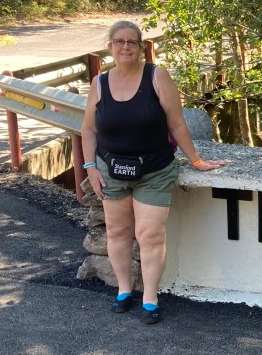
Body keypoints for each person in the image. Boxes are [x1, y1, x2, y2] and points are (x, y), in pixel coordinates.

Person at [80, 20, 226, 324]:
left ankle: (150, 297)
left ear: (141, 47)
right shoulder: (99, 84)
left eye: (131, 42)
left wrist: (197, 161)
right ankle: (123, 291)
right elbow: (89, 129)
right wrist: (90, 166)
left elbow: (176, 123)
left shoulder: (157, 77)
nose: (125, 47)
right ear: (110, 47)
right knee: (118, 232)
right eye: (119, 42)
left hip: (154, 169)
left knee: (149, 234)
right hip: (111, 168)